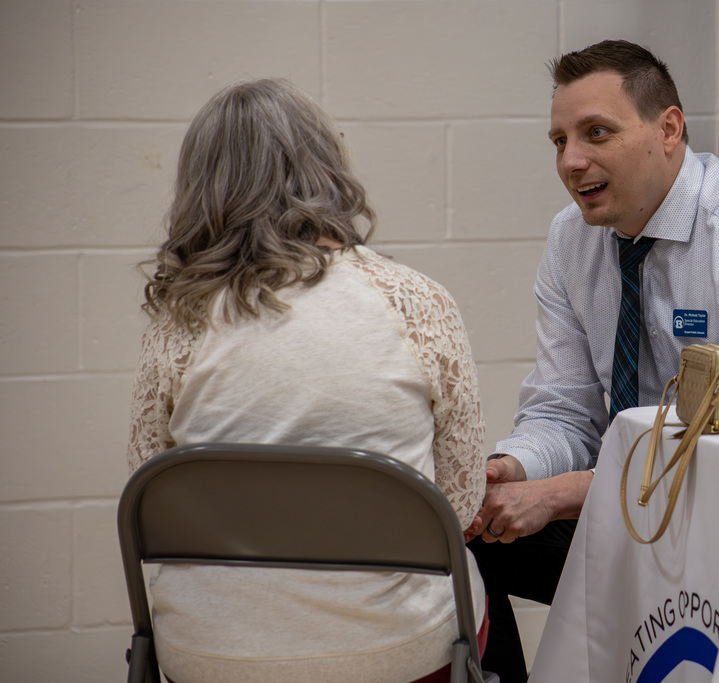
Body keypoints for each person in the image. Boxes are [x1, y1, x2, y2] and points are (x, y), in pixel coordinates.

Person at [464, 40, 719, 682]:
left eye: (596, 132)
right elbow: (563, 413)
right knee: (472, 538)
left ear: (669, 129)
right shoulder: (572, 239)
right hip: (647, 503)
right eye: (560, 141)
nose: (571, 161)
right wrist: (504, 472)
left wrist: (559, 495)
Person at [126, 78, 489, 683]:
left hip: (211, 653)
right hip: (395, 649)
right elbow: (459, 500)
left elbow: (151, 494)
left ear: (201, 187)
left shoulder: (178, 321)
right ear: (325, 166)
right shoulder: (415, 302)